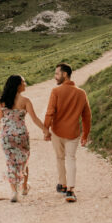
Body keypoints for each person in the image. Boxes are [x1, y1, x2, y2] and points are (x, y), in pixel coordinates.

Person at [43, 63, 91, 203]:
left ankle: (62, 184)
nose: (55, 76)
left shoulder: (56, 91)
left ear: (65, 74)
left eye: (57, 74)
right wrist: (85, 134)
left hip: (57, 132)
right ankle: (70, 190)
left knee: (60, 158)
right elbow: (87, 116)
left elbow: (50, 112)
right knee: (71, 158)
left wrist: (46, 130)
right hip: (73, 133)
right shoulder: (81, 93)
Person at [0, 74, 45, 202]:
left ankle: (14, 192)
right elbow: (34, 119)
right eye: (23, 82)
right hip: (21, 135)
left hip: (6, 136)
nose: (25, 84)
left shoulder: (1, 101)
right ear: (18, 85)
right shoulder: (25, 101)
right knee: (24, 160)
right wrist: (45, 130)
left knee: (10, 162)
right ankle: (24, 187)